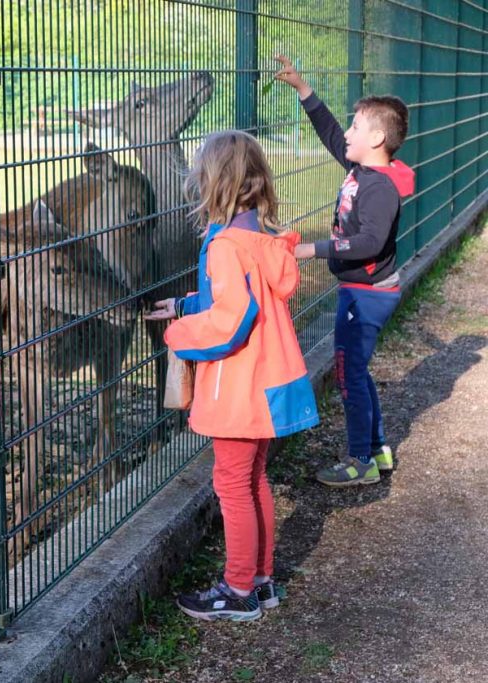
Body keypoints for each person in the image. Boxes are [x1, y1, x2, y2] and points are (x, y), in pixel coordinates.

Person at [147, 130, 319, 621]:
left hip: (240, 389)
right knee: (252, 478)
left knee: (230, 484)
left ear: (214, 185)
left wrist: (180, 332)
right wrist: (184, 304)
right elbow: (243, 298)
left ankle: (238, 588)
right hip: (269, 382)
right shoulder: (258, 238)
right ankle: (260, 580)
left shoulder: (224, 246)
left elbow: (232, 319)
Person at [274, 54, 415, 487]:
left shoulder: (380, 188)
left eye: (356, 127)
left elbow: (371, 242)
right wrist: (303, 90)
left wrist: (313, 249)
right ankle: (375, 450)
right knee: (356, 369)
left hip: (367, 295)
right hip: (361, 291)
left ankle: (360, 462)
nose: (347, 133)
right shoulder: (361, 168)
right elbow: (332, 135)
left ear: (376, 138)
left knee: (348, 372)